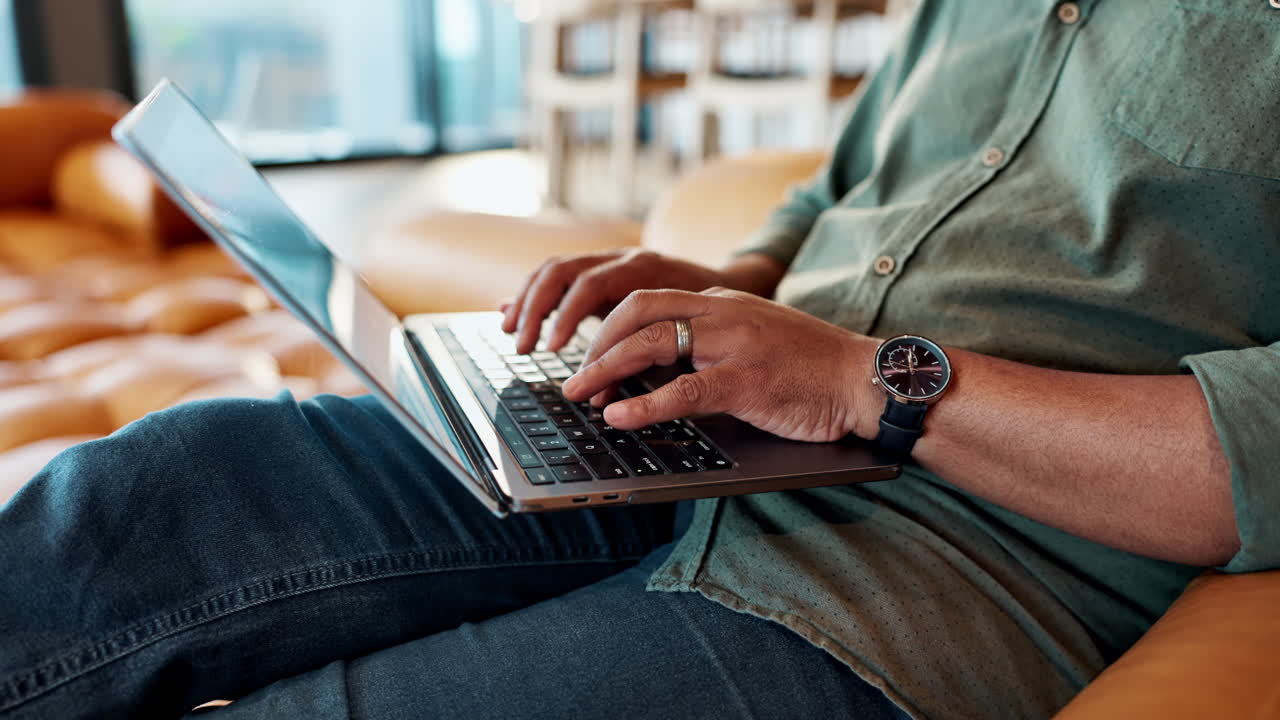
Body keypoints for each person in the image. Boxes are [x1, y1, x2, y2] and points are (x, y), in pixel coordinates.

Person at [3, 0, 1277, 717]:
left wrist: (852, 380)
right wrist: (721, 287)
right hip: (704, 430)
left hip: (949, 569)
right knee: (152, 490)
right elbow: (839, 193)